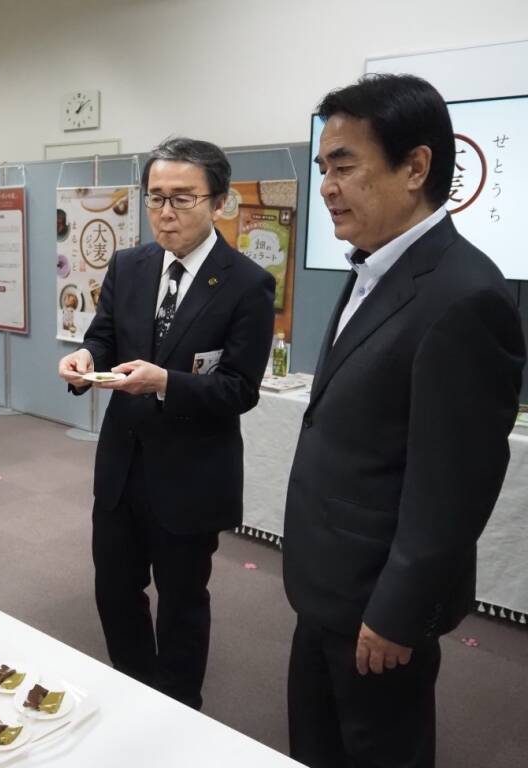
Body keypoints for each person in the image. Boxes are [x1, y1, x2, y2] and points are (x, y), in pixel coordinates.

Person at [283, 74, 525, 768]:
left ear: (415, 167)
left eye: (346, 165)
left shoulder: (463, 296)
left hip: (378, 606)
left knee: (381, 750)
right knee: (318, 745)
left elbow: (453, 488)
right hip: (327, 585)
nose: (327, 185)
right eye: (324, 167)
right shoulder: (374, 269)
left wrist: (396, 612)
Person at [58, 137, 275, 709]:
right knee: (114, 589)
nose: (165, 213)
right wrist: (85, 362)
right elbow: (104, 336)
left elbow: (240, 389)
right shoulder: (130, 265)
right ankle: (134, 687)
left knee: (182, 602)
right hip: (123, 466)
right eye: (155, 198)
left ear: (219, 202)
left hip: (191, 474)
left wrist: (167, 383)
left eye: (182, 199)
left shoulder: (247, 284)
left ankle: (178, 708)